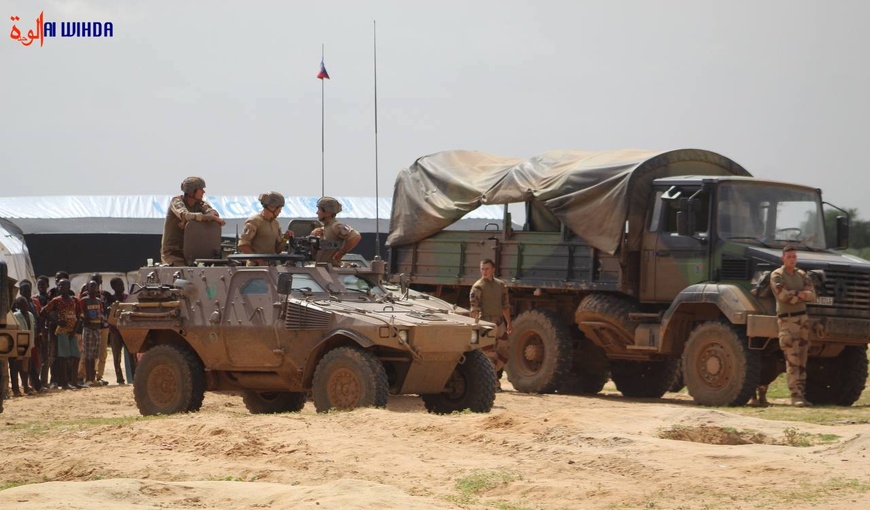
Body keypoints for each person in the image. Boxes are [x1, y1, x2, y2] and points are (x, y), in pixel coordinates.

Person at [769, 245, 816, 407]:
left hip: (802, 320)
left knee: (803, 358)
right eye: (789, 257)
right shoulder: (777, 275)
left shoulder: (801, 275)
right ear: (783, 258)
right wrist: (801, 295)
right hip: (787, 321)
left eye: (794, 257)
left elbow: (812, 295)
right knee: (792, 358)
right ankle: (794, 395)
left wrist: (795, 294)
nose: (792, 260)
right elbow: (783, 296)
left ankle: (801, 394)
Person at [161, 176, 226, 266]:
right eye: (201, 189)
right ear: (192, 191)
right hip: (173, 252)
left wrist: (211, 217)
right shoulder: (177, 201)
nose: (203, 192)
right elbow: (186, 215)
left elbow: (213, 214)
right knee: (181, 275)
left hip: (193, 253)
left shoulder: (200, 204)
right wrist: (208, 218)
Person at [469, 259, 513, 378]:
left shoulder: (500, 285)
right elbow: (474, 308)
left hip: (499, 323)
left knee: (504, 351)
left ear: (493, 269)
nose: (484, 271)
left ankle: (493, 373)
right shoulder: (478, 287)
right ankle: (492, 380)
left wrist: (508, 323)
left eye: (487, 269)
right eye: (482, 269)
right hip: (485, 322)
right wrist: (476, 326)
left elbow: (505, 305)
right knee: (489, 352)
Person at [40, 279, 83, 390]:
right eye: (59, 285)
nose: (61, 287)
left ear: (69, 287)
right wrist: (56, 321)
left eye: (64, 285)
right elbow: (43, 312)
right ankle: (64, 383)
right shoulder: (56, 300)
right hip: (62, 331)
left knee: (76, 356)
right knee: (63, 357)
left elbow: (79, 316)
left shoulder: (74, 300)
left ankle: (74, 381)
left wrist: (75, 330)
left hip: (72, 331)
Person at [237, 192, 294, 265]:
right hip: (255, 268)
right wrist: (259, 260)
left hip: (271, 266)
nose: (280, 212)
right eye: (279, 209)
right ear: (272, 207)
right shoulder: (254, 221)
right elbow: (243, 245)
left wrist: (285, 238)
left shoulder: (275, 224)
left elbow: (277, 250)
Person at [311, 196, 361, 266]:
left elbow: (355, 236)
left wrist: (340, 253)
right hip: (321, 269)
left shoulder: (336, 226)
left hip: (331, 271)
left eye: (319, 209)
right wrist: (313, 236)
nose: (317, 212)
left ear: (328, 212)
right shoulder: (323, 228)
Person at [105, 277, 135, 384]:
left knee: (132, 354)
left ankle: (134, 376)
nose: (122, 287)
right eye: (119, 285)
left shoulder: (127, 298)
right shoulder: (110, 300)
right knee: (116, 355)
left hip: (127, 330)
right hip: (115, 331)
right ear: (113, 287)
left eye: (122, 285)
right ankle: (119, 378)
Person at [78, 280, 104, 386]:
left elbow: (100, 313)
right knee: (88, 355)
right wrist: (85, 319)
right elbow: (79, 313)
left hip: (97, 328)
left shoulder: (98, 301)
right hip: (88, 328)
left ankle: (93, 378)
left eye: (95, 286)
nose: (94, 288)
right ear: (87, 289)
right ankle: (87, 378)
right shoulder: (84, 300)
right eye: (91, 286)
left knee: (94, 355)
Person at [10, 296, 36, 396]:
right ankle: (15, 389)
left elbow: (33, 328)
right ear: (18, 306)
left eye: (25, 304)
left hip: (28, 344)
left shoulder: (30, 315)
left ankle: (26, 387)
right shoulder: (16, 315)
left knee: (26, 367)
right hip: (19, 344)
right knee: (16, 366)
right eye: (22, 304)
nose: (24, 306)